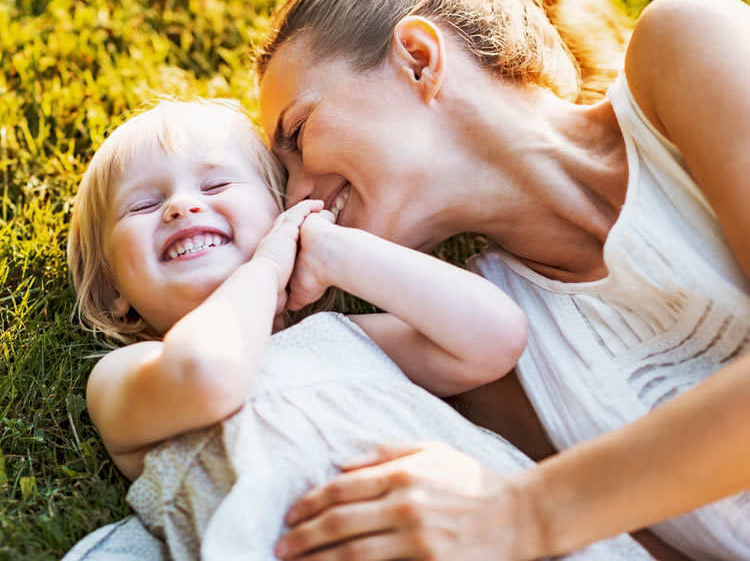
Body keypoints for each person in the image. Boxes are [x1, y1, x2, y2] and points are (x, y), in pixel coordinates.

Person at [256, 0, 750, 561]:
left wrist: (527, 512)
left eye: (297, 134)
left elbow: (541, 515)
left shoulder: (687, 46)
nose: (297, 196)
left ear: (417, 57)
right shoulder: (487, 359)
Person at [64, 98, 651, 560]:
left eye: (215, 186)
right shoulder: (128, 376)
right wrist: (268, 268)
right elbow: (210, 373)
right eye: (143, 206)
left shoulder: (345, 338)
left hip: (471, 527)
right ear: (118, 296)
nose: (181, 207)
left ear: (280, 215)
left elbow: (495, 336)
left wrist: (333, 252)